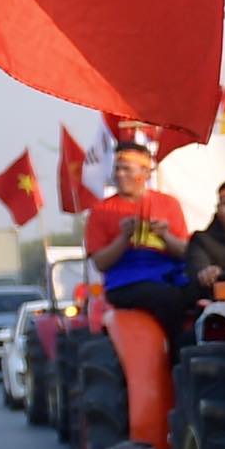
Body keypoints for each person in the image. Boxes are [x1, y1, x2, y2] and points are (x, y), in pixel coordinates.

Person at [83, 135, 198, 341]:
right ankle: (174, 356)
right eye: (117, 168)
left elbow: (184, 251)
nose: (119, 174)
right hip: (126, 282)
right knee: (166, 298)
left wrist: (164, 236)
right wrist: (124, 238)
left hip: (170, 275)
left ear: (145, 172)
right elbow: (100, 263)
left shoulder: (168, 204)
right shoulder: (101, 211)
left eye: (127, 168)